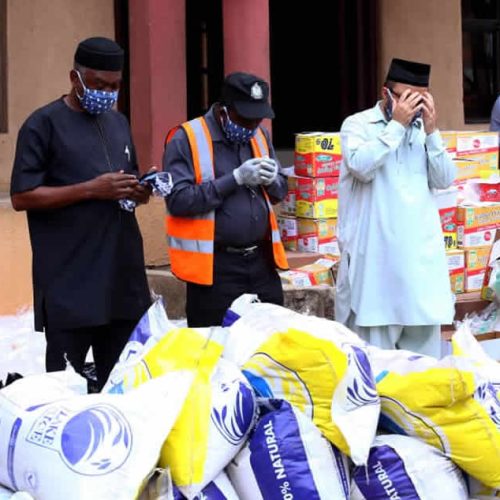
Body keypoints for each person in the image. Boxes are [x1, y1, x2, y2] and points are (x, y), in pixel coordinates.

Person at [10, 37, 152, 389]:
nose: (107, 92)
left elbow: (126, 178)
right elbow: (22, 196)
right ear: (75, 78)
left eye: (114, 86)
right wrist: (91, 189)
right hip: (71, 282)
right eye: (99, 84)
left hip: (121, 278)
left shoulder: (117, 123)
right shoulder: (42, 125)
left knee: (121, 384)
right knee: (64, 388)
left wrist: (139, 191)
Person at [335, 58, 456, 357]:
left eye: (422, 98)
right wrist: (396, 127)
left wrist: (432, 132)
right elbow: (362, 166)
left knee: (423, 374)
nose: (414, 106)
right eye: (407, 98)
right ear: (386, 94)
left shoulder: (423, 132)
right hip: (376, 268)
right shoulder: (358, 125)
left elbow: (444, 179)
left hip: (421, 273)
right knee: (376, 369)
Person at [163, 72, 289, 327]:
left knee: (272, 344)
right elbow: (177, 200)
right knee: (214, 349)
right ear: (223, 111)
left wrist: (272, 180)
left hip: (261, 262)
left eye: (257, 119)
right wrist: (235, 179)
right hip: (214, 268)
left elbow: (280, 192)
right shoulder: (186, 138)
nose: (251, 127)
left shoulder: (260, 135)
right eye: (245, 119)